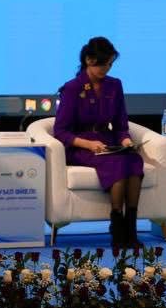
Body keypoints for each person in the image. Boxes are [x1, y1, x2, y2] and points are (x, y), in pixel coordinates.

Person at [52, 36, 145, 248]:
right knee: (117, 163)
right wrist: (88, 144)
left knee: (133, 160)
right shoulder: (72, 88)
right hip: (81, 145)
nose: (106, 68)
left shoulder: (115, 85)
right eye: (103, 63)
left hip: (107, 141)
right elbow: (61, 132)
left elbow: (121, 124)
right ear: (88, 60)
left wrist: (125, 140)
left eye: (110, 64)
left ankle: (130, 228)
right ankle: (117, 227)